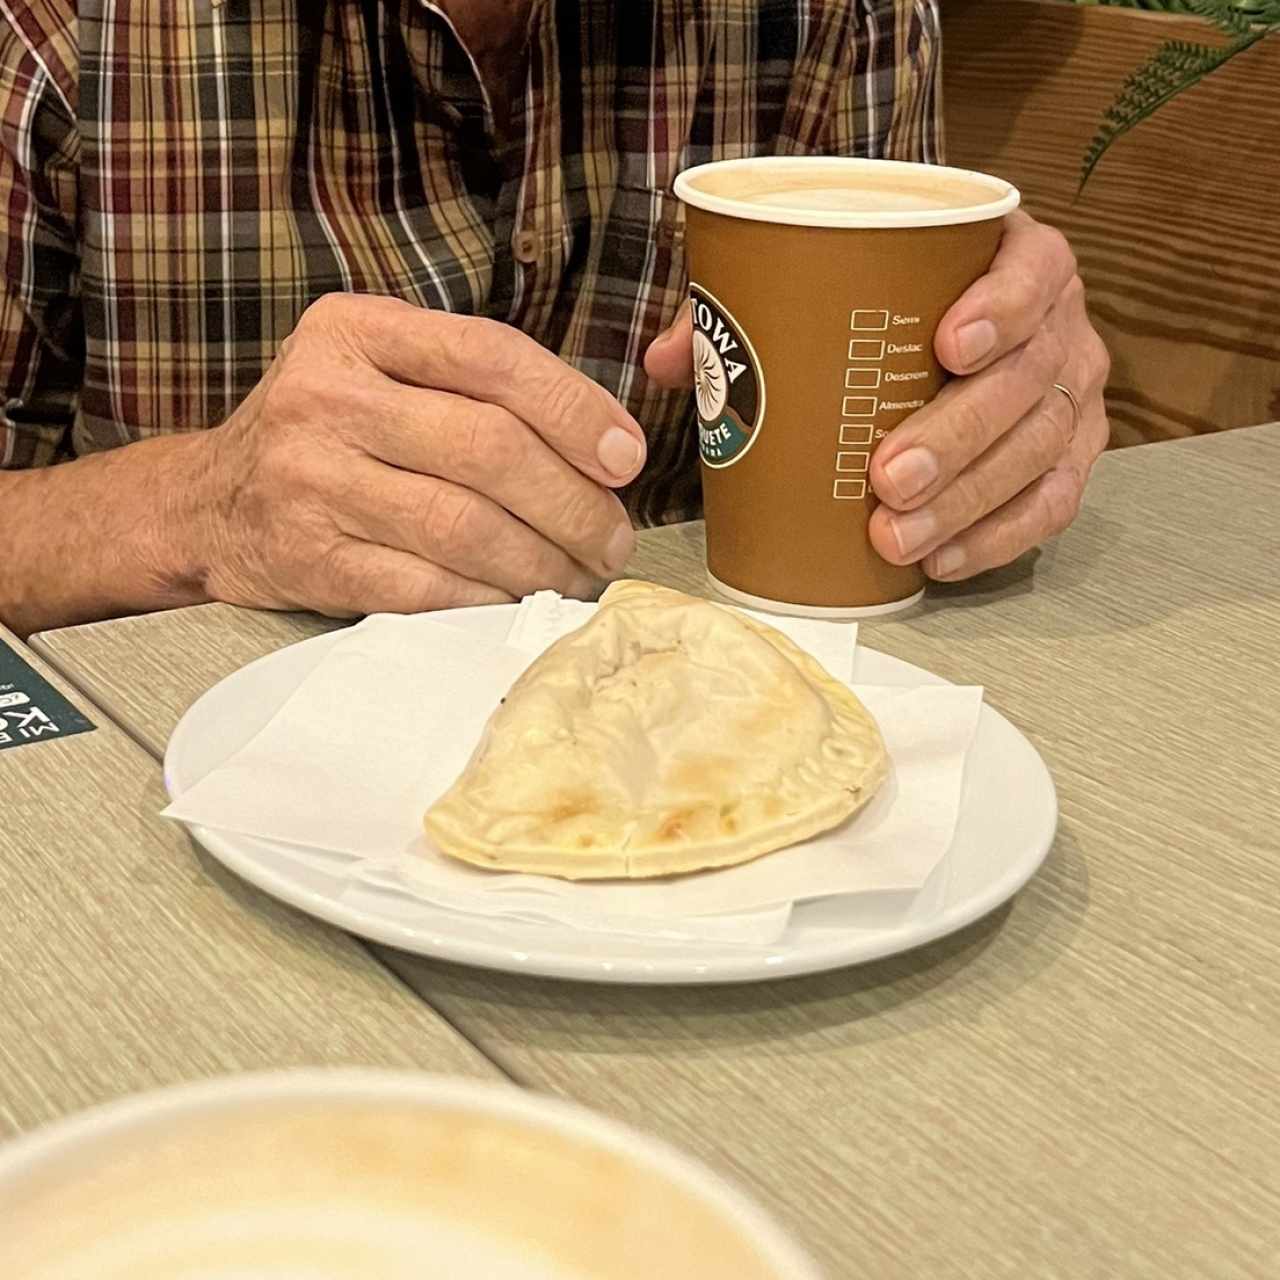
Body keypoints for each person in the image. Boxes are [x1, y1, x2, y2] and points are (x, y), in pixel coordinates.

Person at [0, 1, 1109, 638]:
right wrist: (199, 510)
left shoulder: (839, 19)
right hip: (184, 797)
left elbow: (894, 431)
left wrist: (998, 405)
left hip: (724, 791)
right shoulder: (52, 34)